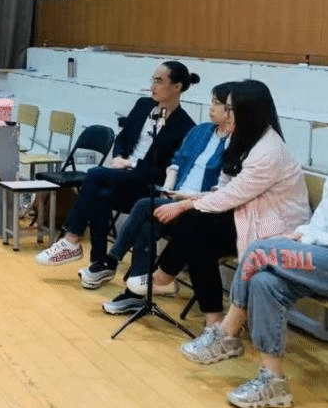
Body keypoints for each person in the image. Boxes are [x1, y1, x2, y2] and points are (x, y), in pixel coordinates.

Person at [180, 91, 328, 408]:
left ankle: (226, 333)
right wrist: (308, 234)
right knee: (266, 282)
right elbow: (326, 214)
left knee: (260, 251)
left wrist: (314, 240)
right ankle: (273, 381)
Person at [147, 80, 309, 330]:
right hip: (247, 214)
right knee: (196, 232)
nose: (225, 113)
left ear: (249, 112)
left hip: (274, 227)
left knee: (193, 225)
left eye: (231, 109)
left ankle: (166, 279)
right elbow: (224, 187)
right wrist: (191, 200)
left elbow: (232, 194)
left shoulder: (269, 151)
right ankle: (211, 317)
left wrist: (184, 204)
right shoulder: (241, 137)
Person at [34, 61, 198, 267]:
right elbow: (122, 138)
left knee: (94, 174)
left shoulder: (185, 126)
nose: (152, 86)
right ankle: (98, 263)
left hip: (146, 182)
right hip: (124, 175)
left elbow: (164, 169)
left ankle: (72, 238)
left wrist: (131, 163)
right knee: (100, 196)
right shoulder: (143, 105)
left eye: (159, 81)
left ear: (177, 86)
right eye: (152, 80)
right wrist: (118, 156)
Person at [94, 82, 235, 313]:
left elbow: (222, 190)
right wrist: (168, 187)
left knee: (144, 206)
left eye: (218, 104)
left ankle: (113, 262)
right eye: (212, 102)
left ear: (232, 110)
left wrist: (184, 198)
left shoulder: (235, 143)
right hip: (176, 198)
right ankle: (137, 293)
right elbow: (177, 160)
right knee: (146, 221)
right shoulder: (200, 131)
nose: (211, 108)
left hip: (199, 208)